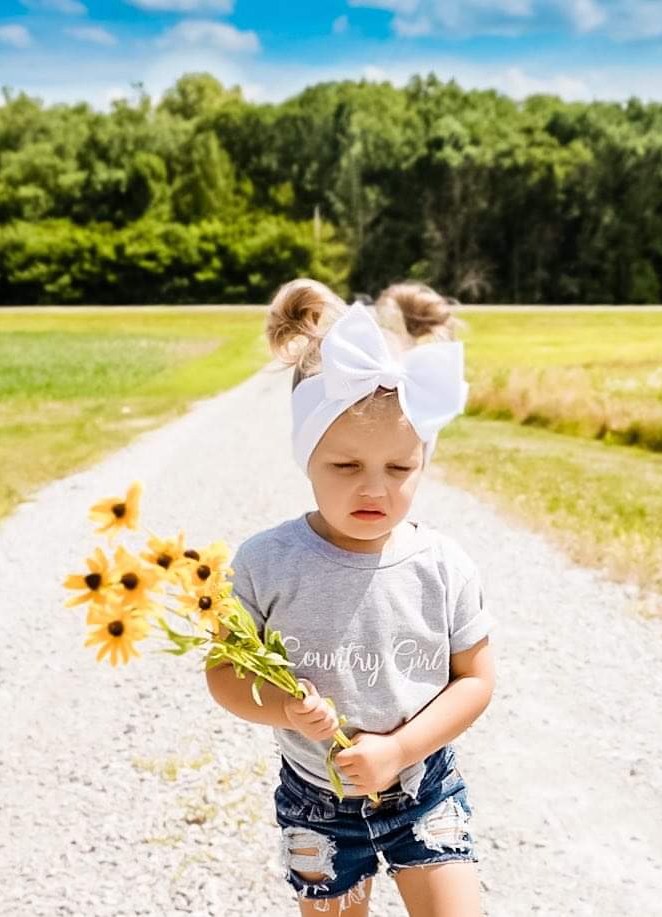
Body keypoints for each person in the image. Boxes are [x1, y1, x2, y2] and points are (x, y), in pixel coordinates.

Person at [206, 278, 496, 917]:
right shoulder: (267, 562)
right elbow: (224, 673)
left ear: (424, 460)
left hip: (424, 785)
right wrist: (284, 707)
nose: (374, 489)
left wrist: (398, 750)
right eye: (344, 467)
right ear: (306, 457)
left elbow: (475, 681)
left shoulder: (443, 566)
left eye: (399, 469)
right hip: (318, 800)